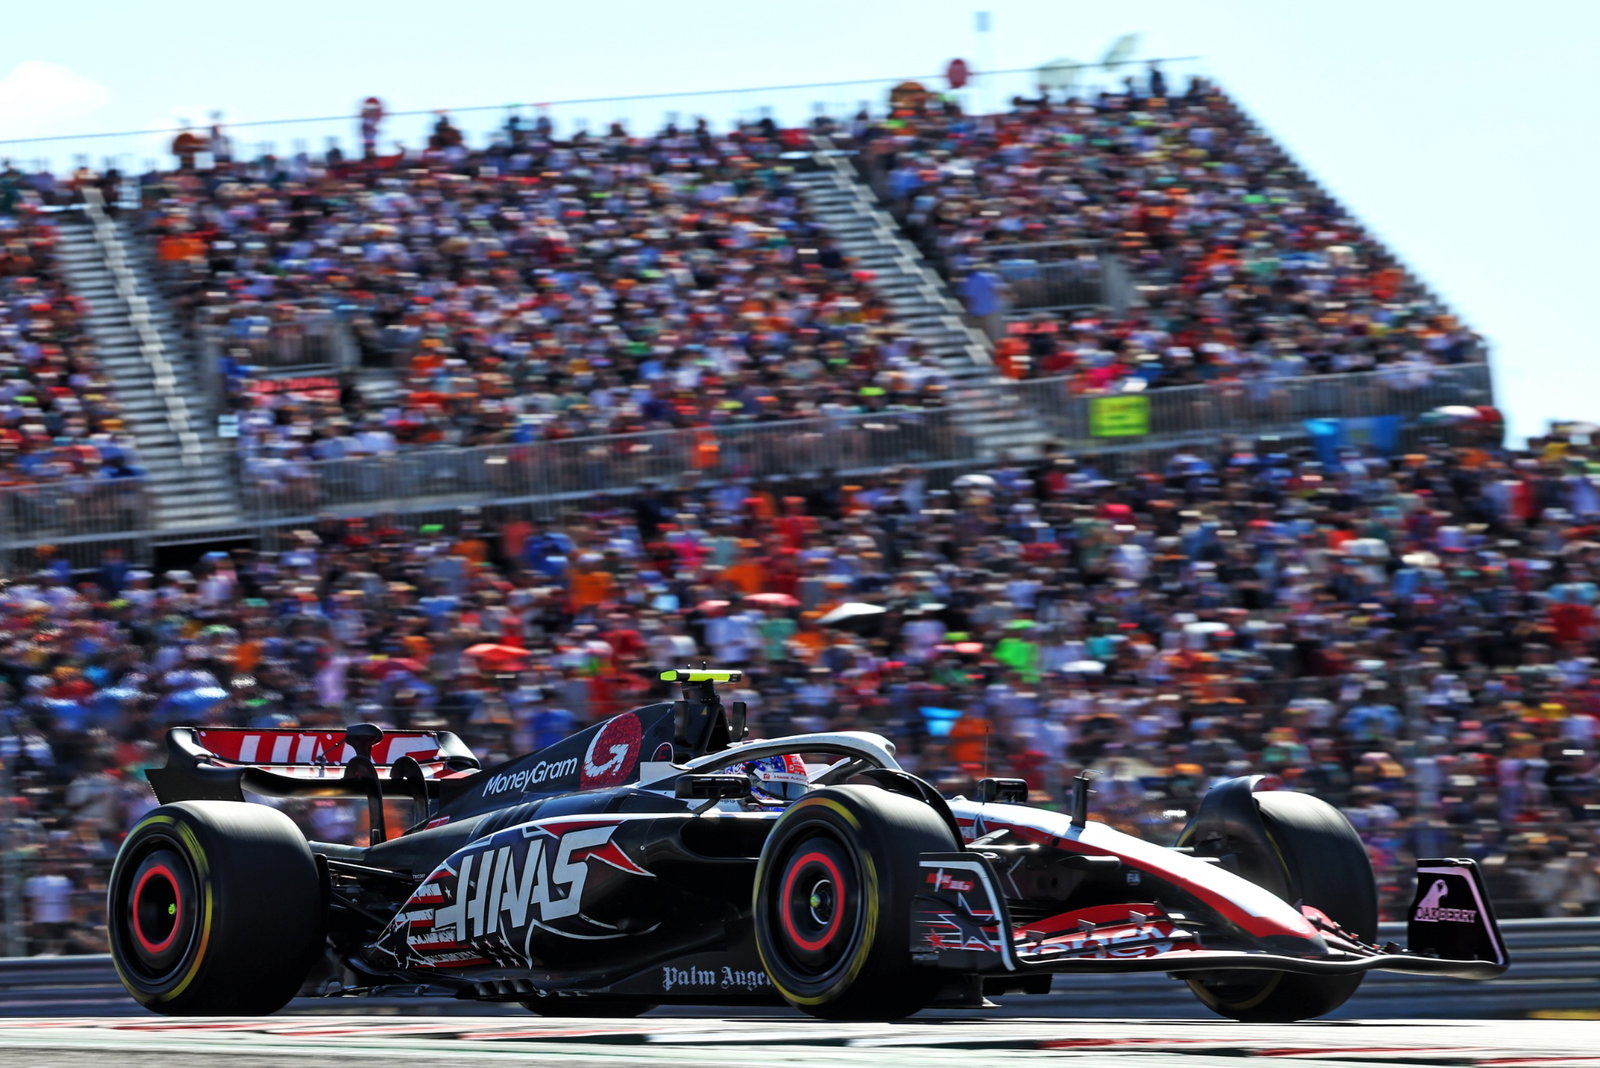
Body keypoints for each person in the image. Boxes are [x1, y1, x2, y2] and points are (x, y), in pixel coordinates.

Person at [24, 861, 74, 956]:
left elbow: (69, 900)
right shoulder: (33, 882)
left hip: (59, 919)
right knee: (44, 945)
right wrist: (31, 918)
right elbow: (31, 901)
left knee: (58, 945)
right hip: (42, 919)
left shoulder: (64, 880)